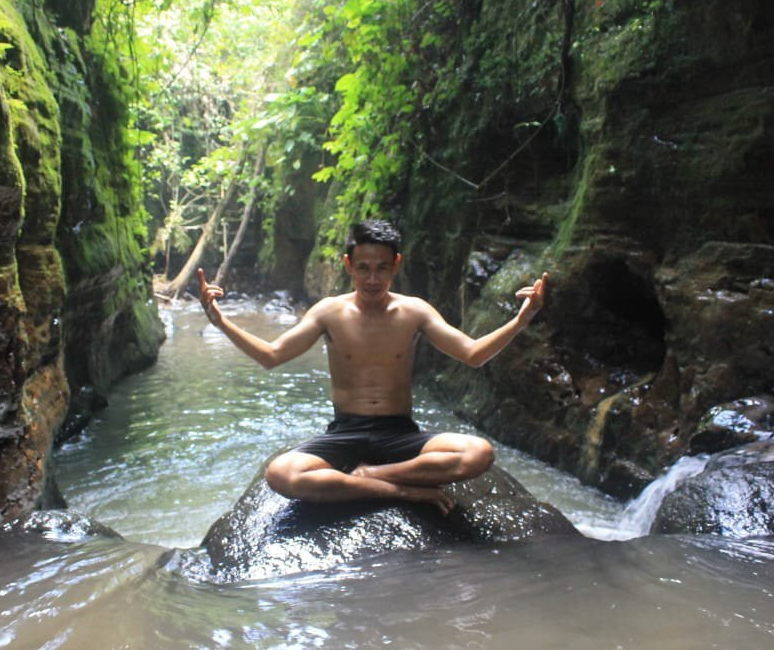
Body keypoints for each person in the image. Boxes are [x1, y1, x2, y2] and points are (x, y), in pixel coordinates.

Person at [196, 219, 548, 514]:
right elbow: (271, 355)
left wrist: (521, 320)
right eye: (363, 268)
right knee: (281, 473)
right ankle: (400, 490)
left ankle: (370, 475)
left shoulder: (414, 311)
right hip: (344, 433)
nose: (372, 279)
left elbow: (472, 354)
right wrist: (220, 321)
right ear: (348, 265)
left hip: (400, 434)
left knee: (478, 453)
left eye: (382, 268)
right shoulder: (329, 312)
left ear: (396, 264)